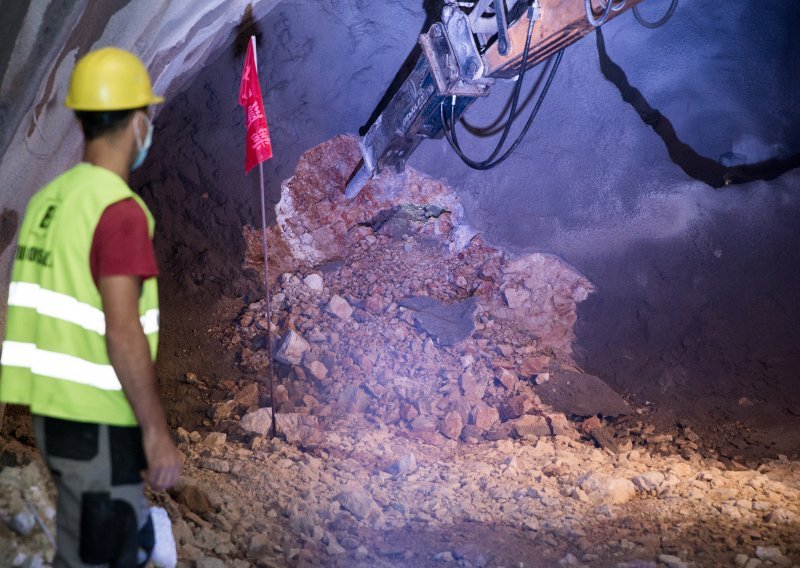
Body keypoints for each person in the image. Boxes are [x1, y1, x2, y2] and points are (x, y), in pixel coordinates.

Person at [0, 47, 181, 567]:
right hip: (97, 417)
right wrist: (155, 430)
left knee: (91, 544)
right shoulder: (120, 212)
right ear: (137, 122)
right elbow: (122, 331)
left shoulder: (49, 202)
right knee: (108, 554)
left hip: (53, 415)